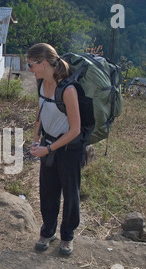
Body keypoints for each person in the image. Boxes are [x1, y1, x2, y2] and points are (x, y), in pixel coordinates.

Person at [28, 43, 84, 255]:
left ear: (43, 63)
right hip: (48, 144)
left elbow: (76, 129)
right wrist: (36, 140)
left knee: (70, 195)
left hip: (70, 148)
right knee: (47, 191)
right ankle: (48, 231)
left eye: (31, 64)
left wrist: (49, 149)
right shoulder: (41, 83)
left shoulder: (67, 89)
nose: (29, 69)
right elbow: (40, 111)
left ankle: (67, 236)